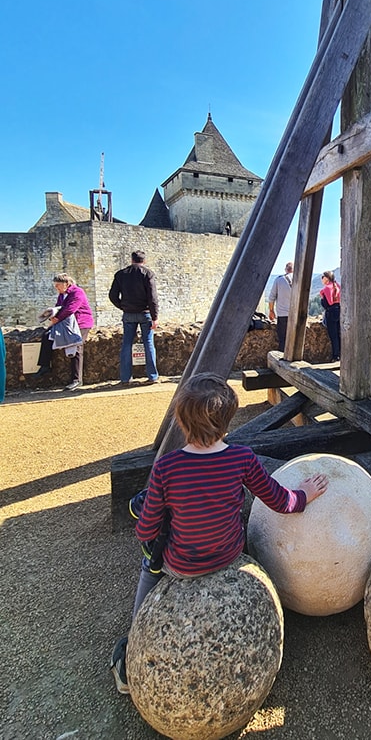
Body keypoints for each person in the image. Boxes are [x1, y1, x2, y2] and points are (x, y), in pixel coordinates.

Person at [110, 372, 328, 695]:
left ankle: (133, 651)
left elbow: (145, 529)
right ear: (228, 421)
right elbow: (281, 501)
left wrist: (152, 517)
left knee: (148, 560)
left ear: (182, 423)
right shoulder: (242, 459)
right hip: (229, 555)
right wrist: (304, 494)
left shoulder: (166, 468)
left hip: (180, 565)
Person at [35, 273, 94, 391]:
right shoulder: (62, 295)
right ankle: (45, 365)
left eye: (58, 285)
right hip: (66, 323)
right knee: (47, 335)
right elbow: (59, 307)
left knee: (76, 345)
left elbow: (70, 308)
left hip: (81, 322)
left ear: (66, 284)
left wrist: (57, 318)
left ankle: (76, 380)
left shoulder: (78, 292)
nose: (56, 288)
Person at [109, 251, 159, 384]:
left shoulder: (121, 274)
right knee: (148, 343)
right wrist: (155, 317)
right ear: (144, 261)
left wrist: (123, 306)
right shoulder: (148, 274)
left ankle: (125, 378)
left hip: (128, 313)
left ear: (131, 260)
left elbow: (112, 296)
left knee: (126, 344)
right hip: (145, 313)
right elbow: (152, 298)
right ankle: (152, 376)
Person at [268, 261, 293, 351]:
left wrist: (271, 311)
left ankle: (283, 359)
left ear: (286, 269)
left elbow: (271, 298)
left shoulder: (279, 280)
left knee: (283, 340)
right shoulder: (299, 279)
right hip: (296, 316)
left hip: (283, 315)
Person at [320, 270, 341, 361]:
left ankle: (335, 355)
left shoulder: (326, 289)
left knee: (333, 336)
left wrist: (322, 297)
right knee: (338, 334)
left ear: (327, 278)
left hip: (331, 313)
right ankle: (339, 354)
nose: (322, 279)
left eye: (323, 277)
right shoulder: (338, 286)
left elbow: (327, 304)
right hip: (339, 311)